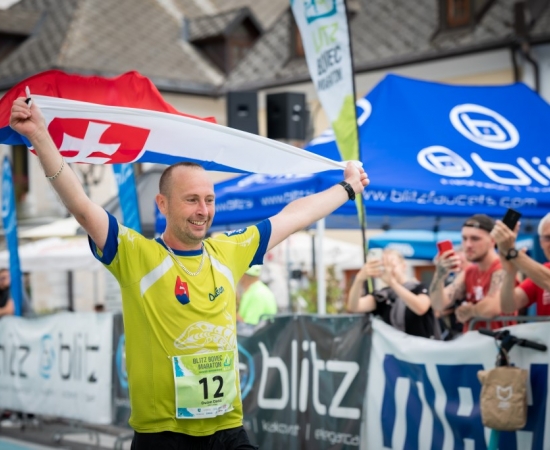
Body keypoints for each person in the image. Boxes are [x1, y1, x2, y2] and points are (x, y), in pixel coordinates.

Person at [9, 95, 369, 450]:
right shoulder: (138, 255)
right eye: (191, 200)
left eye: (209, 200)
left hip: (227, 429)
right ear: (162, 204)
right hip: (164, 436)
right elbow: (83, 208)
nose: (203, 210)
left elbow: (293, 216)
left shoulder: (228, 251)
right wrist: (40, 136)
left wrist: (347, 188)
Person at [429, 214, 506, 331]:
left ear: (492, 240)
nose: (468, 245)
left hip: (499, 340)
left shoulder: (503, 267)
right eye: (464, 239)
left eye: (475, 239)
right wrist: (439, 276)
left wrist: (470, 311)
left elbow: (493, 308)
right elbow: (438, 304)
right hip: (473, 340)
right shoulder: (469, 271)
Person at [347, 249, 440, 339]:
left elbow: (421, 308)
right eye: (384, 266)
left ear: (403, 266)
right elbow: (354, 307)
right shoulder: (383, 295)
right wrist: (359, 279)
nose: (389, 270)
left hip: (423, 346)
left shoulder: (419, 287)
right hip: (396, 348)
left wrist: (393, 283)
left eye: (392, 265)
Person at [491, 213, 550, 315]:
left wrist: (513, 254)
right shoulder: (542, 271)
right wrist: (510, 272)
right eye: (548, 238)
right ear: (540, 242)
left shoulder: (541, 274)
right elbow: (508, 306)